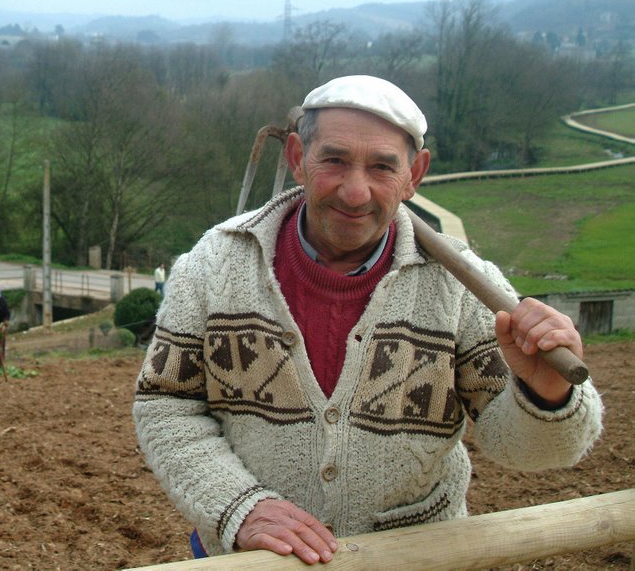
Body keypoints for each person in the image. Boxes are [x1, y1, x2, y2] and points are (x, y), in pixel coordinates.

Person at [132, 75, 603, 564]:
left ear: (414, 174)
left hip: (415, 560)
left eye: (382, 167)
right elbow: (166, 404)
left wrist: (545, 394)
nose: (355, 192)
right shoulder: (216, 265)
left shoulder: (458, 286)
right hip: (253, 563)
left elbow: (532, 451)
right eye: (334, 160)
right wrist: (238, 507)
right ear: (296, 158)